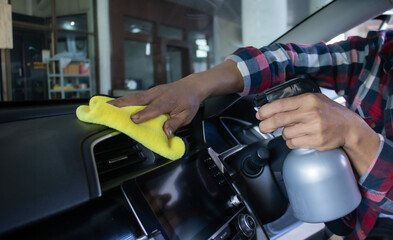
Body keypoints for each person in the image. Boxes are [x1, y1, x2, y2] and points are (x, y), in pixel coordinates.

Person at [110, 29, 393, 239]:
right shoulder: (378, 55)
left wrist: (356, 135)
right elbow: (287, 60)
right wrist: (197, 85)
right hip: (357, 222)